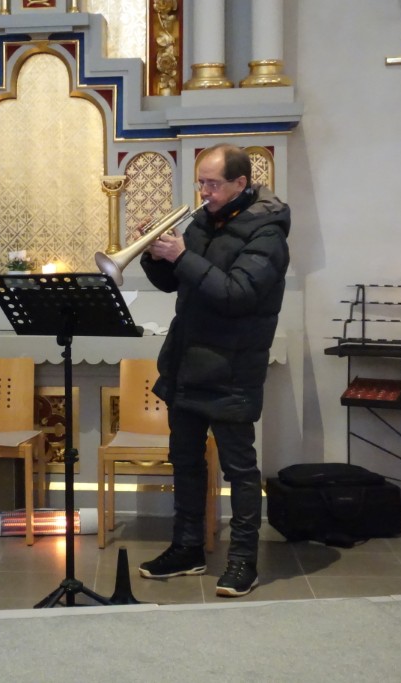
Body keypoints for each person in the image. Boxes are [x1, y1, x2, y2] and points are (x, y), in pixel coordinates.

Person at [137, 143, 290, 598]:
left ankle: (243, 560)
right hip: (187, 363)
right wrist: (154, 253)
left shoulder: (267, 233)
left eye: (212, 183)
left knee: (239, 470)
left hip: (232, 368)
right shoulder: (203, 222)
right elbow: (174, 281)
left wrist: (182, 255)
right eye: (200, 182)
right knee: (185, 462)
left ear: (240, 183)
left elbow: (237, 294)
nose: (203, 191)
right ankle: (187, 548)